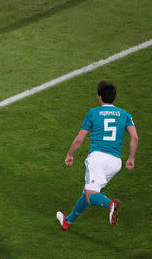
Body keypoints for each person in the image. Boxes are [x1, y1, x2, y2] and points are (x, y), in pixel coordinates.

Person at [56, 80, 138, 230]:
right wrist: (131, 158)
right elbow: (135, 138)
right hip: (115, 163)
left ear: (99, 97)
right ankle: (68, 221)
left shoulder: (93, 113)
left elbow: (80, 138)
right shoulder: (125, 114)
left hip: (97, 159)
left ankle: (110, 204)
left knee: (90, 193)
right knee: (88, 192)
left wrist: (70, 154)